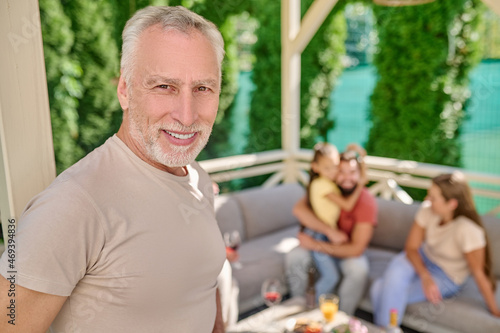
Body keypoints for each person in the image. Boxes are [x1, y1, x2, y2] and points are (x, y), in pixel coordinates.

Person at [0, 6, 227, 333]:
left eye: (203, 88)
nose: (187, 115)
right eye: (164, 86)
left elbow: (200, 285)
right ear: (124, 90)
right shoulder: (72, 204)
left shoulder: (196, 178)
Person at [370, 172, 500, 327]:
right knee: (395, 273)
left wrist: (495, 311)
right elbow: (411, 248)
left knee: (379, 289)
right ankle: (390, 330)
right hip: (422, 258)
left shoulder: (468, 230)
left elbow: (479, 274)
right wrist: (425, 276)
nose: (427, 200)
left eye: (433, 198)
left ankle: (387, 329)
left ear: (451, 204)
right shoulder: (427, 211)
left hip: (447, 276)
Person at [287, 146, 377, 315]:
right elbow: (299, 209)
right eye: (340, 171)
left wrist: (315, 244)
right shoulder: (327, 185)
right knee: (294, 256)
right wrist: (329, 231)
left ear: (360, 175)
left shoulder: (365, 201)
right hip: (323, 239)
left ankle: (340, 318)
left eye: (352, 172)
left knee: (358, 270)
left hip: (346, 249)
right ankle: (298, 308)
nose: (346, 178)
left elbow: (356, 249)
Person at [305, 143, 367, 301]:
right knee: (331, 277)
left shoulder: (328, 182)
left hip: (324, 235)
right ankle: (313, 306)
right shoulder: (321, 185)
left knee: (334, 274)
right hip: (318, 235)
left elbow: (347, 165)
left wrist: (356, 153)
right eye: (327, 168)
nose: (333, 172)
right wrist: (361, 183)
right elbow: (347, 204)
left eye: (335, 167)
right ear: (315, 167)